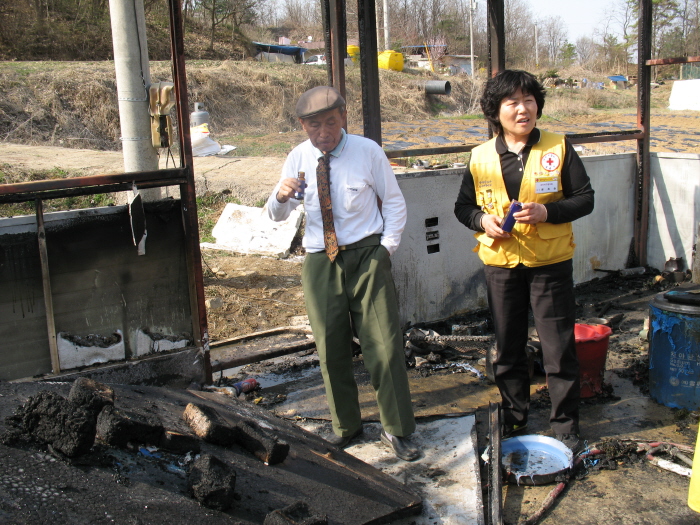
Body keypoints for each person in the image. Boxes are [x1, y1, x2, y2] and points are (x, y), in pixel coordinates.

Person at [267, 86, 420, 461]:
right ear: (303, 125)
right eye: (314, 125)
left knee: (383, 345)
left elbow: (395, 202)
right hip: (320, 260)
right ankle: (346, 427)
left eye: (330, 123)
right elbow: (276, 215)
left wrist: (386, 249)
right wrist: (281, 194)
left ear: (343, 117)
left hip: (367, 254)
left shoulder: (367, 151)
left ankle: (397, 429)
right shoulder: (297, 158)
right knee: (330, 347)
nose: (323, 132)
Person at [454, 70, 595, 453]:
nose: (523, 109)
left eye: (529, 100)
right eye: (512, 102)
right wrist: (483, 220)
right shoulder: (480, 157)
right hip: (501, 264)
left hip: (549, 264)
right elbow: (463, 207)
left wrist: (548, 213)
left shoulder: (558, 147)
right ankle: (514, 417)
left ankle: (565, 426)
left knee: (558, 347)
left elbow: (585, 198)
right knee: (509, 346)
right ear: (495, 111)